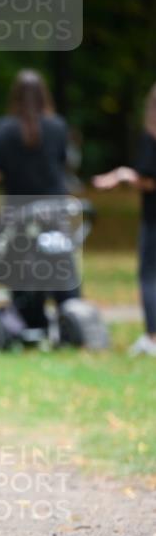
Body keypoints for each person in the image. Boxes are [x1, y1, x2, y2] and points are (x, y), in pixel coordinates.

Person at [0, 68, 78, 329]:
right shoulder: (58, 125)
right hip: (54, 207)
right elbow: (63, 163)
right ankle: (70, 314)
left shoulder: (4, 128)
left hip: (18, 209)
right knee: (60, 261)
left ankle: (27, 320)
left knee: (20, 264)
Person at [93, 83, 156, 357]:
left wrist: (120, 175)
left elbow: (148, 180)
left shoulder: (150, 138)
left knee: (150, 276)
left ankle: (153, 337)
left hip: (154, 219)